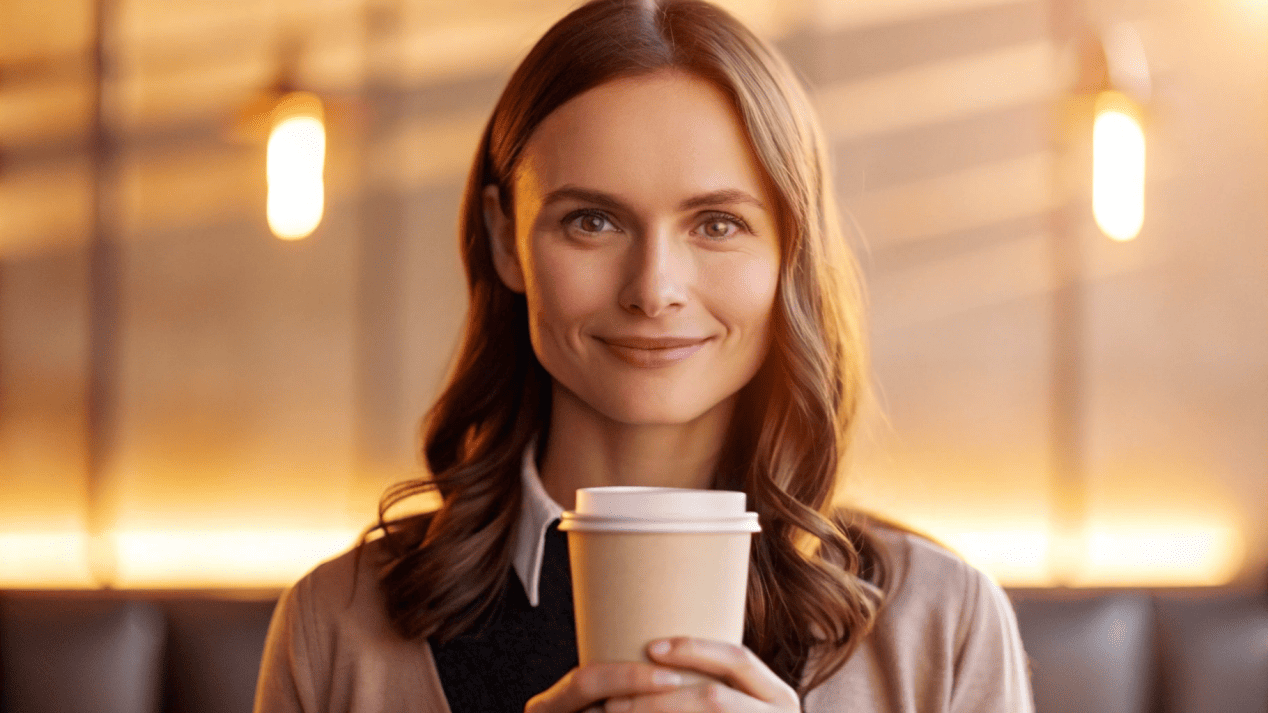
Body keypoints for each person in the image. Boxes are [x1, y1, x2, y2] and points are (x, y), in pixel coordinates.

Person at [253, 1, 1035, 711]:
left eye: (718, 224)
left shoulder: (942, 625)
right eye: (592, 221)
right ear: (505, 239)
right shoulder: (337, 627)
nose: (654, 288)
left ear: (789, 251)